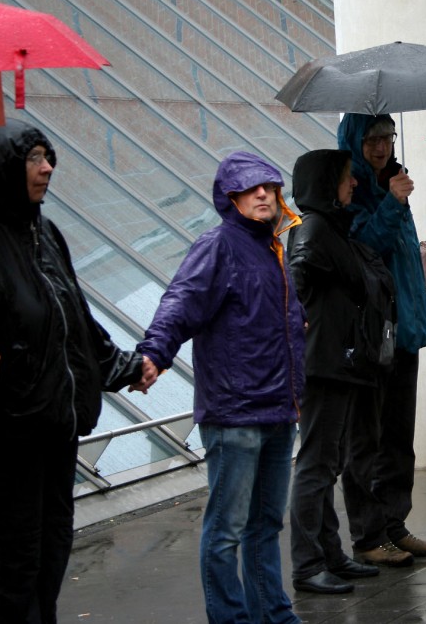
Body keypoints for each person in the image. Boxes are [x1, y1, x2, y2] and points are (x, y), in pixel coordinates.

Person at [0, 121, 153, 624]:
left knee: (50, 554)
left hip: (55, 427)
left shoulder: (44, 233)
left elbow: (76, 321)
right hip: (6, 434)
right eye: (34, 158)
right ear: (4, 168)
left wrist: (126, 367)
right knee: (10, 564)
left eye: (48, 156)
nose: (47, 167)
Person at [138, 151, 304, 624]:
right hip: (234, 414)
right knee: (228, 530)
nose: (261, 195)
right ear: (230, 199)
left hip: (277, 409)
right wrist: (154, 353)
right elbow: (181, 302)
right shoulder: (219, 246)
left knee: (265, 525)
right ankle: (232, 618)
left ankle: (273, 613)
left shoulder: (273, 249)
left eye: (268, 187)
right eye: (250, 189)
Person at [286, 149, 394, 595]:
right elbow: (295, 283)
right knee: (316, 465)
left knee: (328, 463)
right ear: (326, 182)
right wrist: (302, 320)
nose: (353, 184)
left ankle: (330, 554)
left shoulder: (329, 226)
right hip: (325, 364)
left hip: (340, 360)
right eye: (347, 178)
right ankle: (309, 564)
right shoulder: (313, 229)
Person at [337, 114, 426, 565]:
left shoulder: (395, 182)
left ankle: (395, 526)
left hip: (402, 333)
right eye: (372, 139)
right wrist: (392, 203)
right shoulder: (351, 191)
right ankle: (368, 536)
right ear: (355, 142)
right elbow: (364, 251)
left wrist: (422, 321)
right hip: (371, 337)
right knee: (369, 440)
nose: (381, 146)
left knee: (400, 437)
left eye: (387, 137)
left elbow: (407, 265)